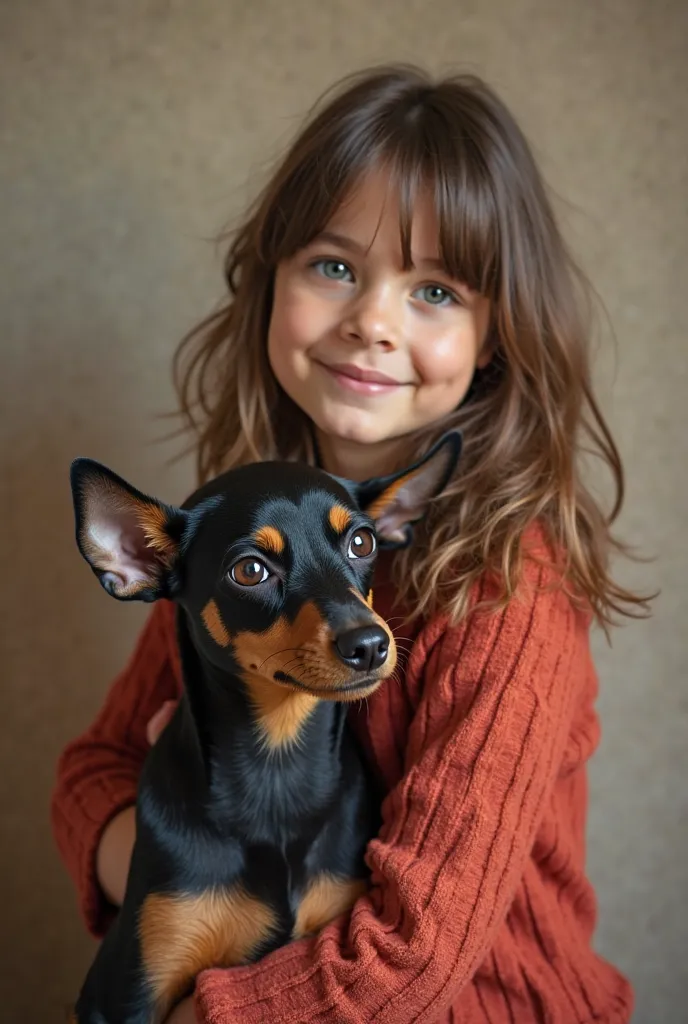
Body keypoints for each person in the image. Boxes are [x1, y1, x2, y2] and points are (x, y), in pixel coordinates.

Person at [51, 64, 650, 1023]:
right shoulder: (239, 538)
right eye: (335, 267)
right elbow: (97, 769)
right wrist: (181, 896)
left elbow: (412, 959)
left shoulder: (508, 588)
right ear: (271, 283)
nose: (373, 322)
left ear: (496, 335)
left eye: (437, 290)